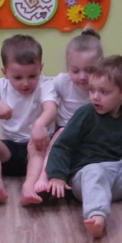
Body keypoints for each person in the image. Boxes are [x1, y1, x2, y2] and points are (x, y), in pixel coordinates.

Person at [46, 56, 122, 239]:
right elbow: (62, 146)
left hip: (116, 177)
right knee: (95, 171)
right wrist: (57, 176)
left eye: (103, 92)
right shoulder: (85, 114)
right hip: (86, 178)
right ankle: (97, 216)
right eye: (92, 90)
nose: (95, 96)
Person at [0, 35, 57, 206]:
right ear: (5, 72)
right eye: (17, 77)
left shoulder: (45, 85)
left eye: (32, 76)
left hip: (36, 149)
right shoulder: (1, 86)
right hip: (11, 149)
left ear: (41, 68)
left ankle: (29, 187)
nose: (25, 83)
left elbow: (51, 108)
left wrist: (40, 124)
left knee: (37, 147)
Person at [35, 27, 103, 194]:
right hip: (65, 130)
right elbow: (45, 97)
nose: (82, 77)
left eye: (89, 70)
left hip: (92, 133)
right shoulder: (62, 82)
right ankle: (45, 175)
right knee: (58, 139)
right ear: (67, 66)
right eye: (75, 70)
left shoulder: (103, 86)